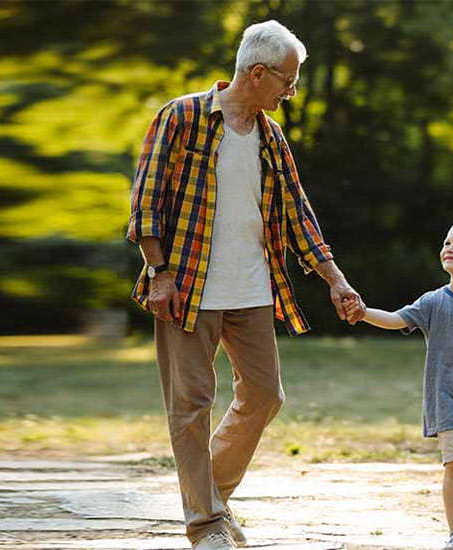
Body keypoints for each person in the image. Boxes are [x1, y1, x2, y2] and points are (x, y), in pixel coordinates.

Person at [127, 20, 365, 550]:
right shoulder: (182, 116)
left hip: (253, 286)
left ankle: (209, 496)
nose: (291, 91)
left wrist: (335, 279)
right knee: (192, 405)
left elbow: (298, 215)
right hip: (186, 286)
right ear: (257, 73)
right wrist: (159, 272)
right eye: (287, 80)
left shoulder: (271, 135)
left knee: (263, 395)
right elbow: (145, 202)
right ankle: (206, 524)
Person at [344, 218, 453, 550]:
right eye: (447, 242)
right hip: (446, 400)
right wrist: (363, 312)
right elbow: (396, 320)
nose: (448, 248)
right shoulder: (433, 302)